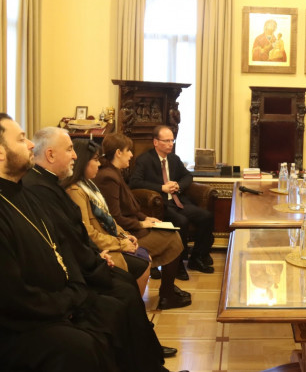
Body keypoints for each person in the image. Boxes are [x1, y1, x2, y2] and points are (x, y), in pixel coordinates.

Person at [5, 116, 186, 371]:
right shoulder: (36, 188)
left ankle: (148, 361)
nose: (30, 145)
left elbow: (66, 237)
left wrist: (92, 262)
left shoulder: (30, 189)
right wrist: (75, 291)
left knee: (122, 290)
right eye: (21, 139)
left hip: (69, 284)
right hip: (42, 308)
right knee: (99, 325)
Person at [0, 114, 118, 371]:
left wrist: (75, 290)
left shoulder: (24, 193)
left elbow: (60, 244)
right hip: (20, 326)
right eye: (21, 139)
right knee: (80, 345)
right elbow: (12, 296)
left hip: (58, 302)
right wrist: (66, 303)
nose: (31, 144)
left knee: (108, 313)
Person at [93, 132, 192, 310]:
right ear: (118, 153)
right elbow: (114, 217)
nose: (132, 155)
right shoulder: (108, 177)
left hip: (132, 227)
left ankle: (168, 291)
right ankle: (167, 294)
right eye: (128, 151)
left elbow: (129, 207)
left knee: (171, 234)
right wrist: (140, 224)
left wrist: (145, 217)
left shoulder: (115, 172)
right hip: (125, 235)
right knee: (173, 239)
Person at [63, 138, 151, 296]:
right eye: (95, 160)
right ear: (84, 162)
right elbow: (87, 233)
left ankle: (134, 306)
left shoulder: (89, 184)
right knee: (143, 265)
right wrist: (121, 244)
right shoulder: (75, 191)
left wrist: (124, 235)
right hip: (99, 250)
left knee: (144, 257)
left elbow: (108, 218)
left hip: (109, 241)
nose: (99, 164)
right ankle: (133, 306)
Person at [130, 125, 215, 274]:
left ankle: (196, 258)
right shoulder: (144, 160)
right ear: (156, 142)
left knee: (206, 216)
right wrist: (161, 188)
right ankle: (178, 265)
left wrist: (178, 185)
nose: (171, 144)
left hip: (178, 201)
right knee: (182, 221)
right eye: (167, 141)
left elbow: (188, 176)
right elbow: (134, 183)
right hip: (161, 205)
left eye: (172, 140)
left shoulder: (174, 158)